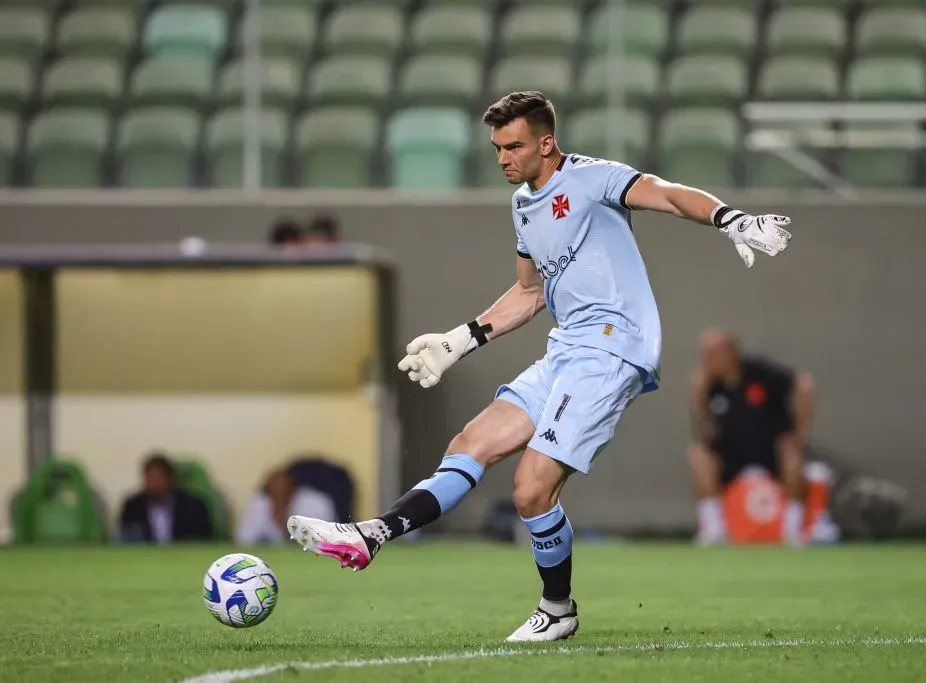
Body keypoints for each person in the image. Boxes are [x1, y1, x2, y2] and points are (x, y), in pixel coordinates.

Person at [287, 91, 794, 642]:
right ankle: (373, 535)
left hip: (612, 346)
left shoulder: (592, 178)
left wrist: (731, 219)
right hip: (567, 347)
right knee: (469, 444)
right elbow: (530, 293)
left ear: (546, 143)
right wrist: (459, 340)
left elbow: (667, 196)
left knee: (531, 488)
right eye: (497, 148)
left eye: (514, 146)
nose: (503, 157)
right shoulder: (523, 206)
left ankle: (557, 609)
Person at [688, 329, 815, 546]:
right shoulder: (710, 387)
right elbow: (704, 432)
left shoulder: (761, 374)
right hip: (731, 456)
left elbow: (804, 385)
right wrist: (697, 398)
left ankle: (792, 531)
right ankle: (713, 529)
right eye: (705, 355)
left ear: (732, 352)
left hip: (770, 452)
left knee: (792, 454)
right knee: (698, 455)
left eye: (714, 354)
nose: (708, 361)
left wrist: (797, 434)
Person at [118, 453, 213, 544]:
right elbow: (126, 537)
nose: (154, 484)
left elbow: (201, 539)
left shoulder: (192, 505)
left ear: (170, 478)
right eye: (150, 479)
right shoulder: (132, 506)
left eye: (158, 478)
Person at [235, 468, 337, 546]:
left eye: (284, 491)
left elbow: (322, 542)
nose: (279, 495)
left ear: (294, 488)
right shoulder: (259, 503)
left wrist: (284, 519)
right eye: (274, 492)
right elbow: (244, 541)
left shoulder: (316, 503)